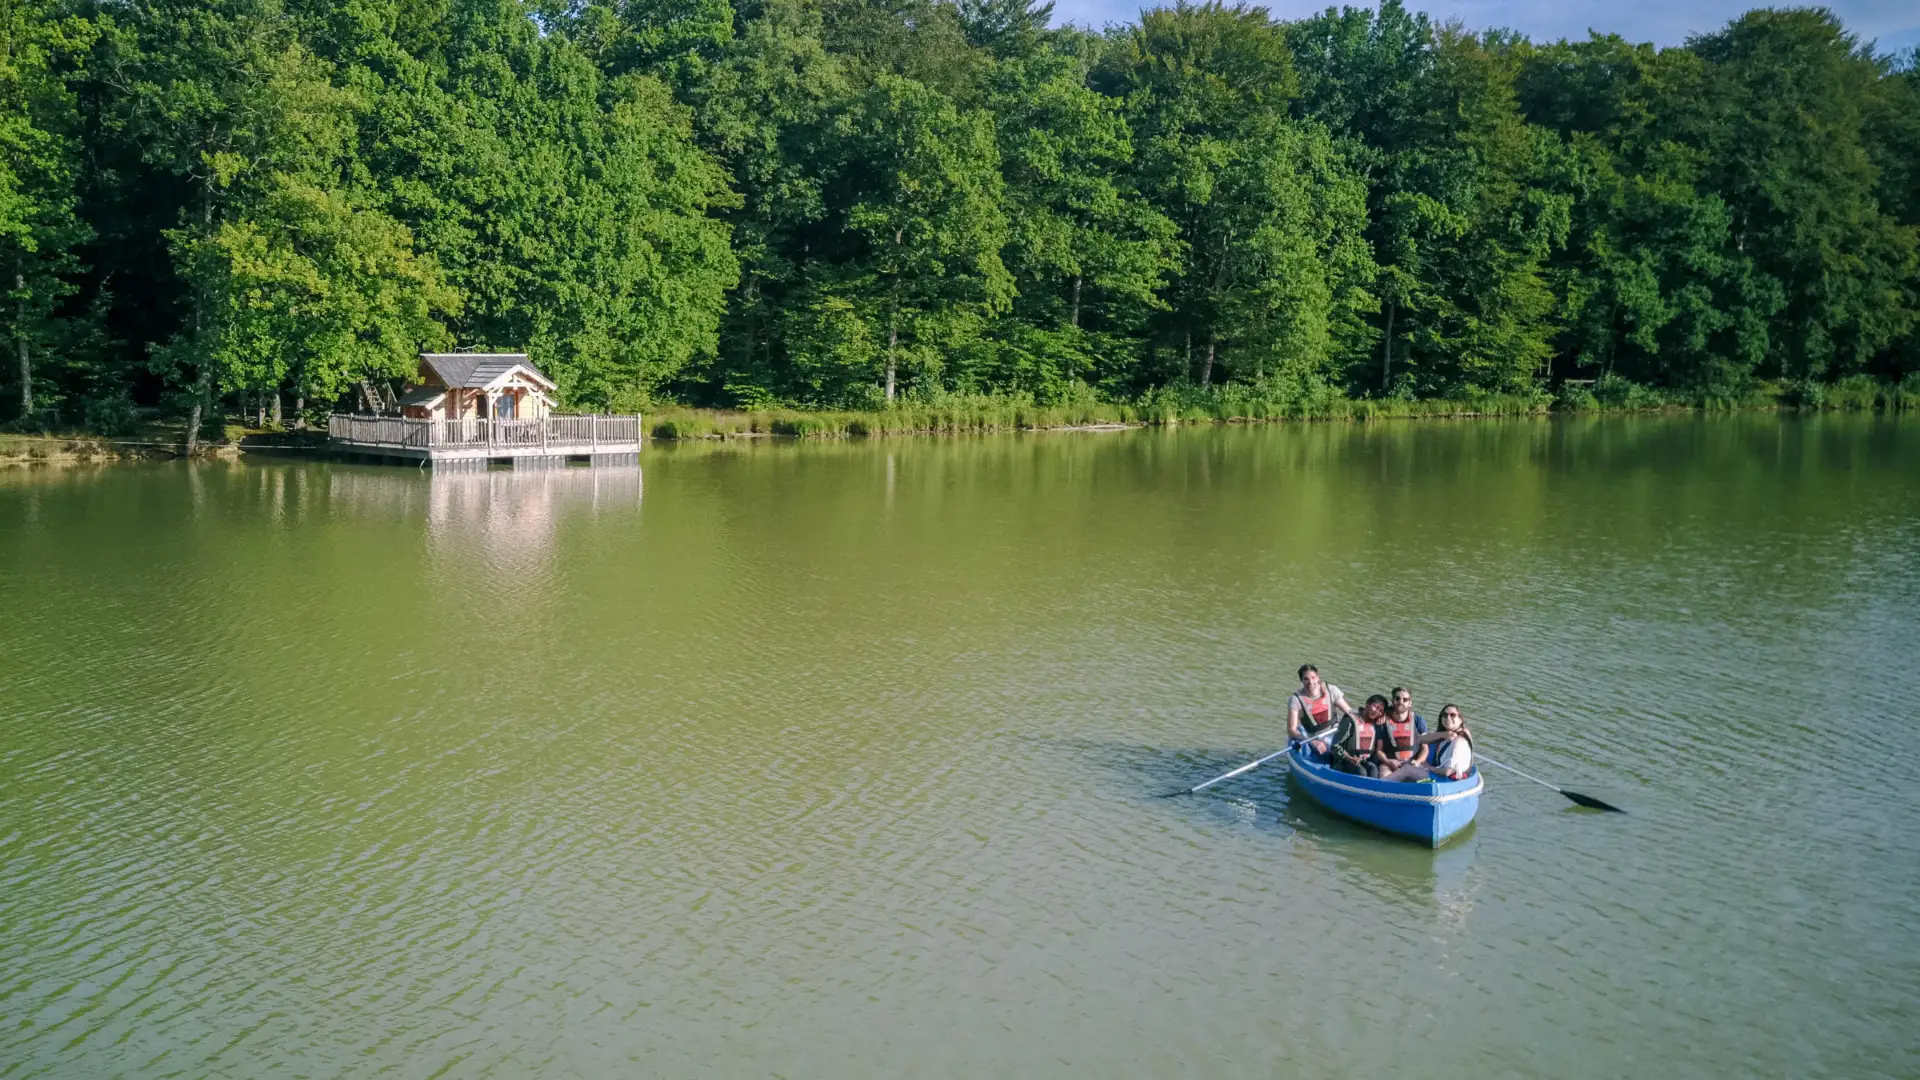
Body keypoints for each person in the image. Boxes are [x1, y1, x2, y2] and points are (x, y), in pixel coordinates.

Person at [1384, 704, 1474, 782]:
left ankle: (1379, 786)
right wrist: (1443, 734)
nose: (1448, 718)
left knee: (1407, 770)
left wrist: (1427, 766)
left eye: (1453, 715)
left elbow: (1447, 772)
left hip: (1445, 781)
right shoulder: (1454, 733)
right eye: (1445, 715)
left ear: (1460, 719)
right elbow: (1421, 740)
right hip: (1441, 776)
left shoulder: (1459, 741)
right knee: (1408, 764)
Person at [1287, 664, 1359, 752]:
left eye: (1313, 677)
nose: (1310, 682)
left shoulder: (1331, 690)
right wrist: (1312, 741)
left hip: (1337, 731)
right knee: (1338, 748)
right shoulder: (1295, 700)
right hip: (1317, 738)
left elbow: (1349, 712)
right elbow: (1291, 730)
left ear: (1318, 677)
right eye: (1306, 679)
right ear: (1301, 681)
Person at [1328, 694, 1392, 776]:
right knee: (1361, 772)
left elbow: (1394, 712)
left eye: (1380, 711)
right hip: (1344, 761)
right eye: (1375, 706)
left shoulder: (1377, 725)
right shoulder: (1350, 721)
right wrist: (1349, 758)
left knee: (1373, 769)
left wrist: (1385, 716)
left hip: (1363, 761)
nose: (1376, 711)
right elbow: (1334, 746)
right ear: (1367, 703)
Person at [1378, 686, 1427, 770]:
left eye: (1405, 700)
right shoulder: (1382, 721)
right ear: (1392, 701)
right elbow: (1379, 750)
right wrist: (1388, 761)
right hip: (1389, 763)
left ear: (1410, 703)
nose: (1401, 702)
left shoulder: (1418, 721)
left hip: (1413, 763)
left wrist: (1418, 761)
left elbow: (1425, 748)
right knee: (1384, 774)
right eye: (1397, 698)